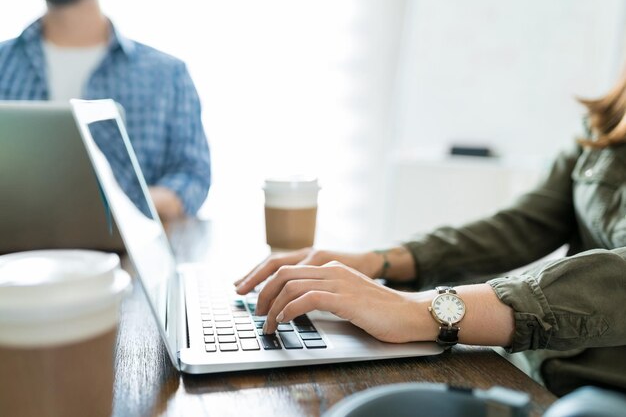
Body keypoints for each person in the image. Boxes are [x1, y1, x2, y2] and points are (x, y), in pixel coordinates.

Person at [235, 73, 626, 396]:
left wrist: (424, 311)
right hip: (535, 365)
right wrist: (377, 261)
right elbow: (522, 225)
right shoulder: (612, 117)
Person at [0, 0, 211, 220]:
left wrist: (124, 209)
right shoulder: (3, 64)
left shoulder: (167, 75)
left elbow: (192, 176)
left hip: (128, 248)